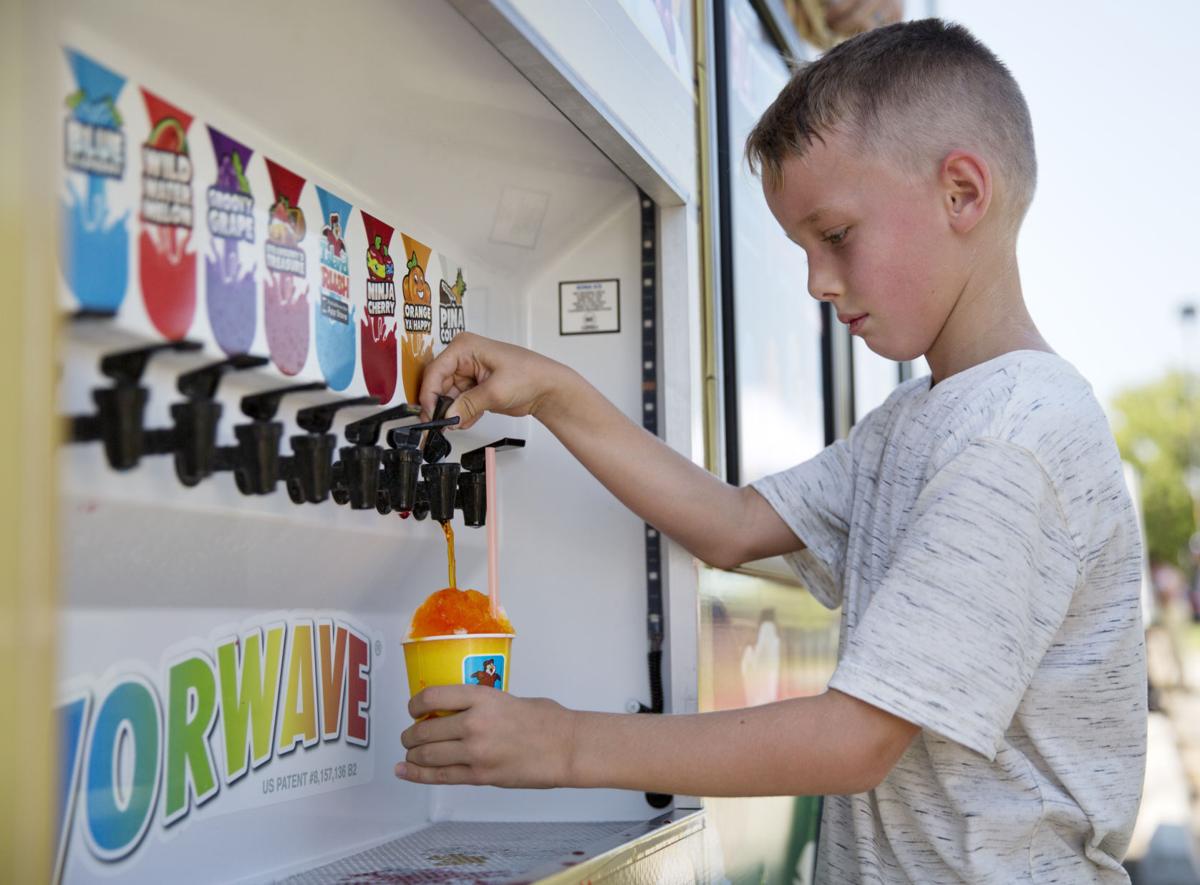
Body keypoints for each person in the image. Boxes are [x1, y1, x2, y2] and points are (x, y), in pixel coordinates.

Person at [399, 19, 1147, 883]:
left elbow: (857, 739)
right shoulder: (921, 415)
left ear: (963, 194)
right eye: (802, 248)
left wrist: (565, 741)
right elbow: (734, 522)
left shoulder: (1013, 440)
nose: (818, 282)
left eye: (835, 236)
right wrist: (557, 391)